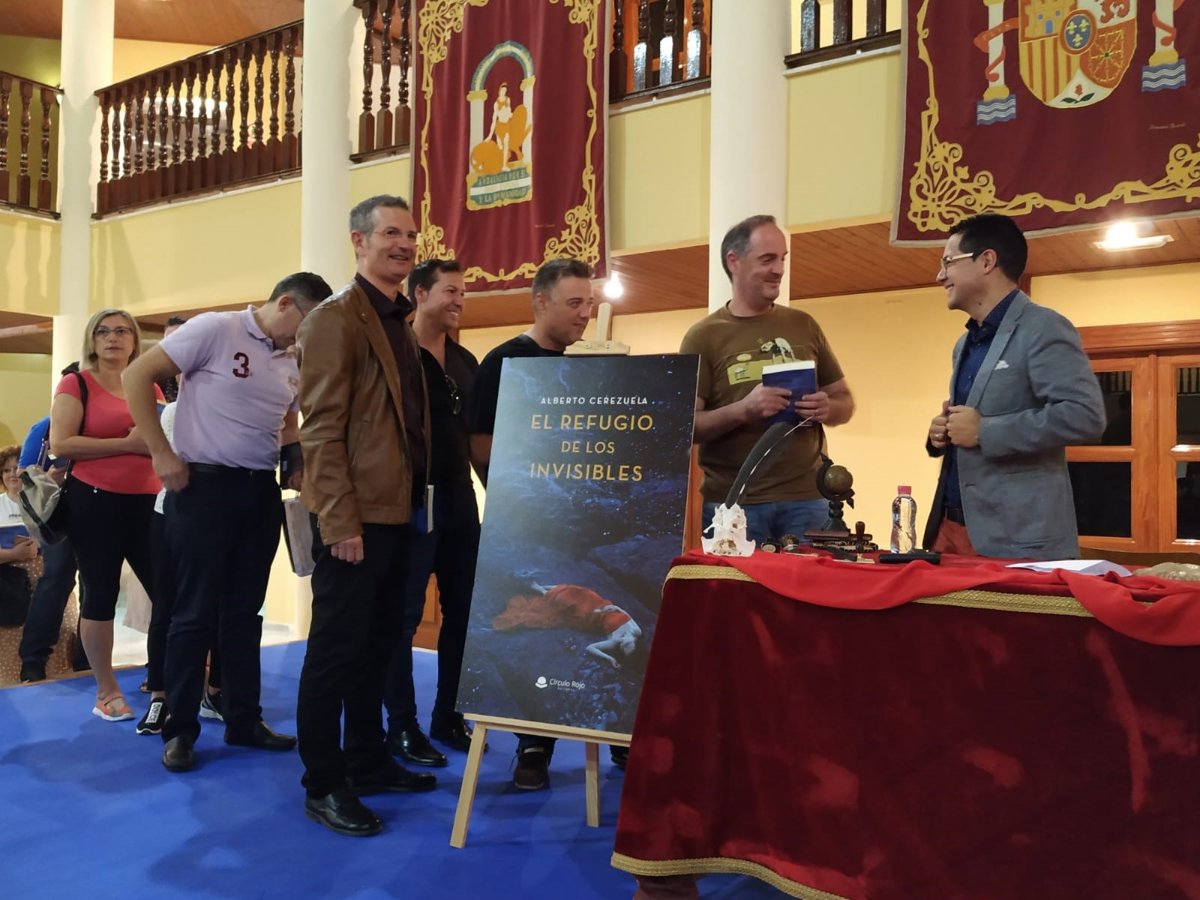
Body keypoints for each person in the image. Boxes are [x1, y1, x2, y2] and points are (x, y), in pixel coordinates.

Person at [124, 272, 331, 771]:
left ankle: (243, 719)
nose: (305, 337)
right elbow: (137, 375)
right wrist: (161, 453)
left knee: (244, 613)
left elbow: (287, 422)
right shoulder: (216, 329)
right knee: (193, 613)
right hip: (203, 487)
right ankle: (180, 729)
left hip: (258, 492)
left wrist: (296, 465)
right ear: (286, 303)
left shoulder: (290, 357)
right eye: (306, 323)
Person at [295, 195, 436, 837]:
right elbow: (320, 429)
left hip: (399, 513)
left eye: (410, 234)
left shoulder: (398, 319)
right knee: (335, 653)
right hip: (357, 519)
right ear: (358, 241)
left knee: (379, 647)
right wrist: (340, 521)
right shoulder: (334, 319)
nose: (404, 245)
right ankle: (323, 783)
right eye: (390, 234)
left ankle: (367, 759)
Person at [467, 256, 594, 791]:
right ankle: (534, 743)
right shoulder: (503, 361)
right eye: (574, 303)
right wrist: (515, 501)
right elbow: (480, 445)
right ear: (541, 302)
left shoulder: (589, 365)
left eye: (589, 304)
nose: (585, 314)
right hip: (525, 526)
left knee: (594, 621)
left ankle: (612, 734)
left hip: (582, 522)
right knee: (539, 625)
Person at [923, 213, 1105, 559]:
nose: (940, 275)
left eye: (948, 262)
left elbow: (1085, 416)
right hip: (948, 529)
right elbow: (972, 422)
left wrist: (985, 431)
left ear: (986, 261)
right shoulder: (964, 344)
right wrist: (941, 433)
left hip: (1017, 538)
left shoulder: (1044, 327)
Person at [681, 214, 855, 544]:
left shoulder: (804, 325)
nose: (779, 269)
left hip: (809, 499)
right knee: (735, 582)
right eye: (767, 259)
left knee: (813, 581)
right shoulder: (702, 336)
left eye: (782, 259)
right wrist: (743, 410)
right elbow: (685, 426)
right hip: (733, 503)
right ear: (734, 261)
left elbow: (844, 402)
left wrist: (827, 408)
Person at [384, 258, 481, 768]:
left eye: (462, 292)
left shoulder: (466, 361)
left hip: (460, 499)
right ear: (420, 294)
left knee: (464, 612)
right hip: (411, 500)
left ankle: (450, 715)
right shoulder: (396, 353)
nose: (459, 300)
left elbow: (478, 438)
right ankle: (402, 725)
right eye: (450, 291)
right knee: (402, 617)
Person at [50, 309, 162, 722]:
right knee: (100, 594)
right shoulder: (76, 383)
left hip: (149, 502)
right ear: (92, 340)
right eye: (103, 331)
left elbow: (160, 437)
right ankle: (106, 690)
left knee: (169, 591)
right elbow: (62, 444)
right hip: (95, 501)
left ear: (134, 340)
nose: (112, 337)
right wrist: (126, 444)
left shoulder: (149, 385)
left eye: (121, 331)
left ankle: (166, 677)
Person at [16, 362, 87, 683]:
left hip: (103, 512)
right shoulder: (44, 428)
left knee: (97, 586)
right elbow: (23, 479)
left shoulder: (109, 424)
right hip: (58, 515)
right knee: (56, 578)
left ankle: (87, 658)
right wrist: (51, 478)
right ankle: (33, 659)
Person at [0, 445, 38, 629]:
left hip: (45, 581)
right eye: (6, 470)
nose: (12, 474)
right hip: (8, 585)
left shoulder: (43, 501)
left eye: (16, 468)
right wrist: (14, 554)